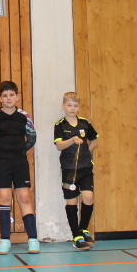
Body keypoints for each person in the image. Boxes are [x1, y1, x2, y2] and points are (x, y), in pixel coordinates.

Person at [0, 81, 39, 255]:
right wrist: (1, 153)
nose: (8, 98)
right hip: (1, 162)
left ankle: (33, 240)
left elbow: (32, 137)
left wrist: (20, 150)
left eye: (11, 95)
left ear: (17, 97)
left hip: (19, 161)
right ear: (0, 98)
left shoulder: (24, 116)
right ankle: (5, 240)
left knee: (24, 198)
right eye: (5, 96)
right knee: (5, 197)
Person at [54, 92, 99, 251]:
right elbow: (59, 145)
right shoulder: (60, 125)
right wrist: (72, 140)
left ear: (79, 107)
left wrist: (86, 152)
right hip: (69, 169)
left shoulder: (85, 123)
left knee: (88, 197)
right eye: (69, 105)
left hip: (85, 168)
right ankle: (76, 236)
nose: (72, 108)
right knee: (72, 201)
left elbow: (95, 140)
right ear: (63, 106)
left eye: (75, 105)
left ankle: (83, 229)